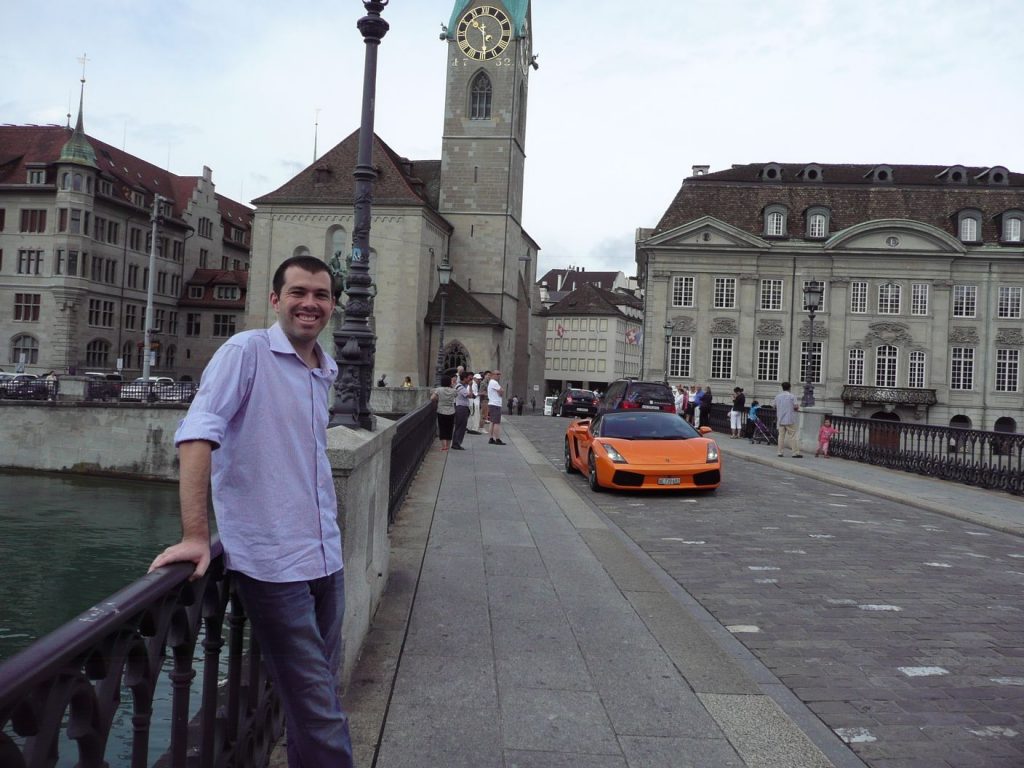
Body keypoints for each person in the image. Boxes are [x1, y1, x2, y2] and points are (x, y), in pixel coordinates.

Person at [148, 255, 355, 768]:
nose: (310, 304)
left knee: (318, 700)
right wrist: (197, 534)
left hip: (325, 556)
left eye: (321, 295)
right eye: (299, 292)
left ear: (332, 305)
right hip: (273, 564)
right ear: (275, 299)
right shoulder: (247, 351)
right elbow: (197, 435)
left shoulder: (322, 368)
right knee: (320, 711)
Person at [774, 381, 802, 458]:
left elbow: (774, 406)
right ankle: (795, 453)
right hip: (789, 419)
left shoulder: (778, 396)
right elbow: (796, 407)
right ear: (789, 388)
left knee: (781, 436)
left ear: (782, 388)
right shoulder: (792, 396)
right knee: (792, 436)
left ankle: (780, 452)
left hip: (780, 419)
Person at [431, 373, 458, 451]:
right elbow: (456, 395)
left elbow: (432, 398)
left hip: (441, 411)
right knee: (449, 428)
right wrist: (452, 386)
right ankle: (448, 446)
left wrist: (438, 398)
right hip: (451, 411)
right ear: (450, 382)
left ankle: (444, 446)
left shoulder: (439, 389)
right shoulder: (453, 391)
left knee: (442, 428)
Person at [451, 371, 473, 450]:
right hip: (461, 408)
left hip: (463, 407)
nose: (470, 380)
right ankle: (456, 443)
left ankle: (457, 443)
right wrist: (470, 386)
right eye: (469, 378)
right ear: (465, 378)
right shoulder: (459, 386)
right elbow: (470, 395)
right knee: (460, 426)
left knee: (462, 426)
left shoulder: (463, 385)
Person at [487, 369, 505, 445]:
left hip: (492, 403)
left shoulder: (491, 382)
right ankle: (497, 439)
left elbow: (501, 391)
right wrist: (502, 391)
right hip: (496, 404)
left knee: (492, 422)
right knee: (497, 423)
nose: (499, 376)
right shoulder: (494, 382)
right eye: (497, 374)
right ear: (493, 375)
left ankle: (491, 438)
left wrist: (501, 391)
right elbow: (501, 392)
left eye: (499, 374)